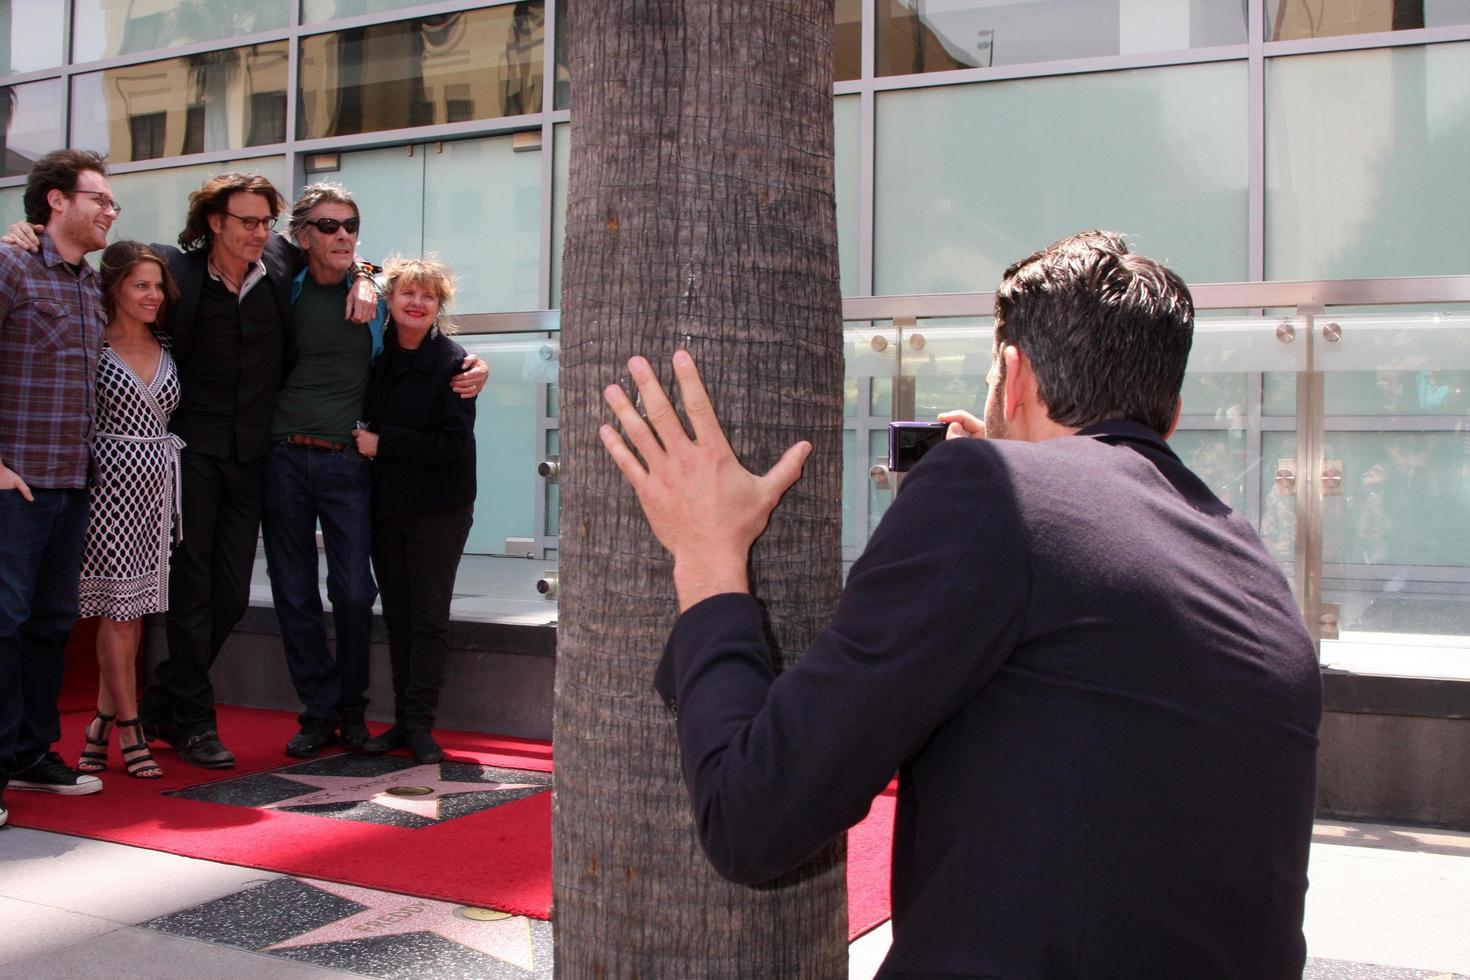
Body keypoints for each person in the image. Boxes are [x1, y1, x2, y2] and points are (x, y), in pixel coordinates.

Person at [598, 231, 1324, 977]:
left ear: (1013, 377)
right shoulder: (1251, 562)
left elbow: (753, 818)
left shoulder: (990, 495)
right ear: (1168, 415)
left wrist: (709, 554)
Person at [0, 149, 114, 825]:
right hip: (15, 486)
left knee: (48, 625)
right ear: (55, 202)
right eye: (98, 199)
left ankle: (29, 753)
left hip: (71, 483)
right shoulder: (10, 265)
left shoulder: (89, 283)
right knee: (4, 625)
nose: (107, 211)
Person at [352, 258, 476, 766]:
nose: (417, 303)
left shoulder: (454, 361)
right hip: (386, 505)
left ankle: (422, 725)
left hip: (438, 507)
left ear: (439, 306)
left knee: (428, 619)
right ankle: (403, 721)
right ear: (390, 301)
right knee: (398, 619)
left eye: (428, 296)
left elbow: (450, 444)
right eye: (407, 294)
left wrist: (383, 443)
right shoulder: (375, 358)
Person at [74, 242, 184, 780]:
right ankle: (130, 727)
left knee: (134, 611)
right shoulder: (91, 342)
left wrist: (367, 275)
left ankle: (99, 720)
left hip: (157, 487)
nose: (152, 295)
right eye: (141, 285)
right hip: (108, 483)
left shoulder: (166, 340)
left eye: (158, 286)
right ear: (114, 286)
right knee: (118, 611)